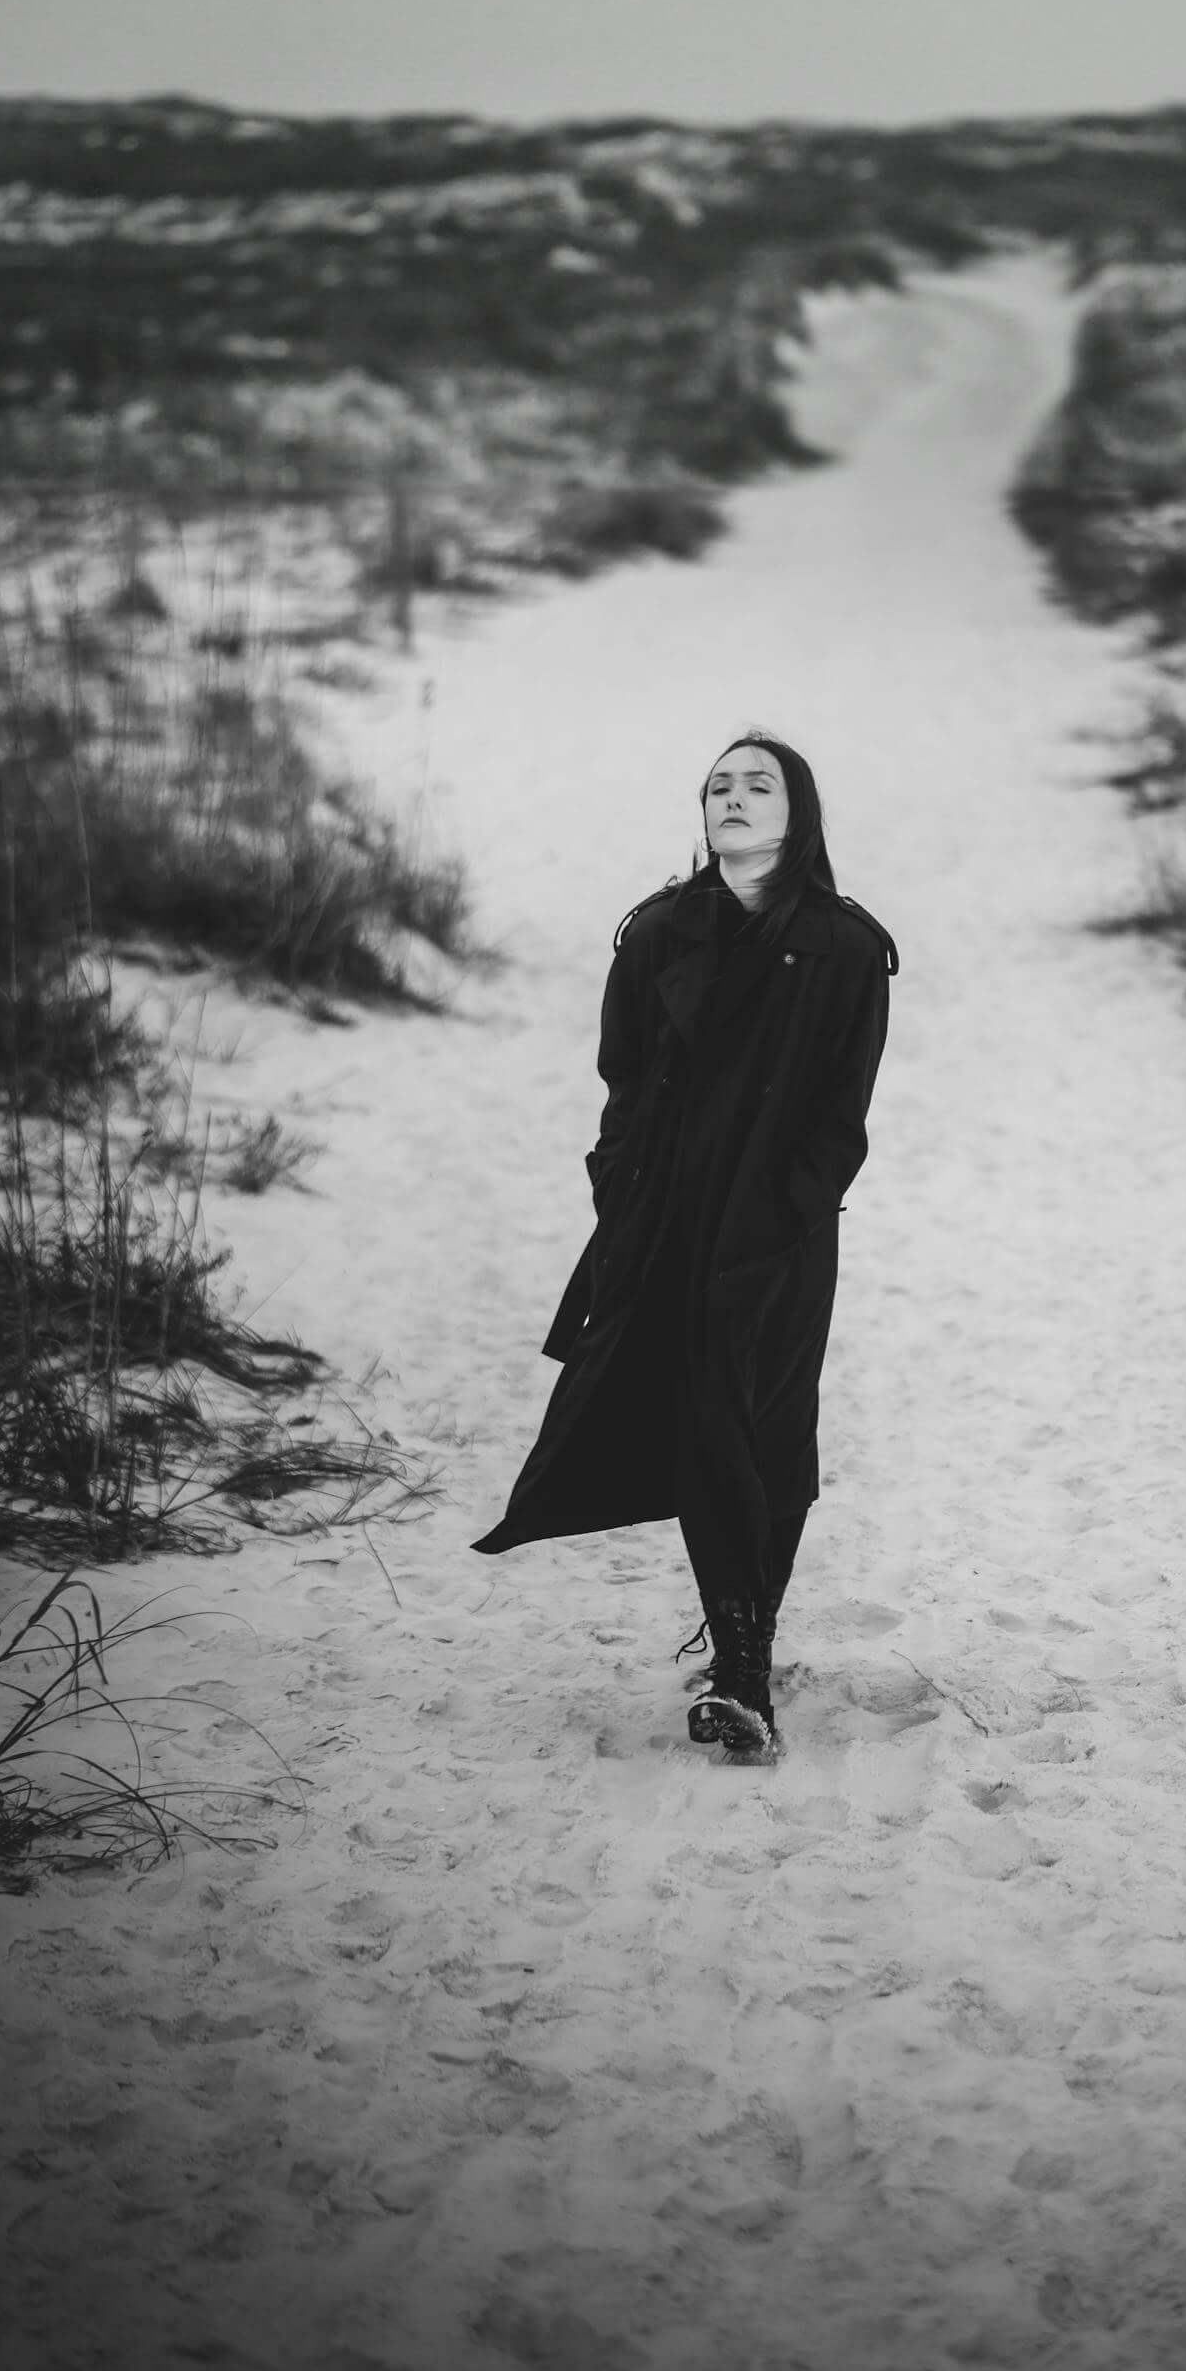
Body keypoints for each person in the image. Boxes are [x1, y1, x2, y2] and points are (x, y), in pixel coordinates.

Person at [473, 732, 897, 1761]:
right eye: (719, 787)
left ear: (800, 815)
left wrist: (786, 1209)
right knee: (705, 1422)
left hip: (781, 1232)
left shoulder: (846, 947)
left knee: (773, 1438)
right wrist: (621, 1191)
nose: (735, 798)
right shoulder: (658, 932)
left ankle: (746, 1646)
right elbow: (621, 1082)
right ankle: (742, 1672)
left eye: (760, 785)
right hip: (665, 1221)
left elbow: (845, 1114)